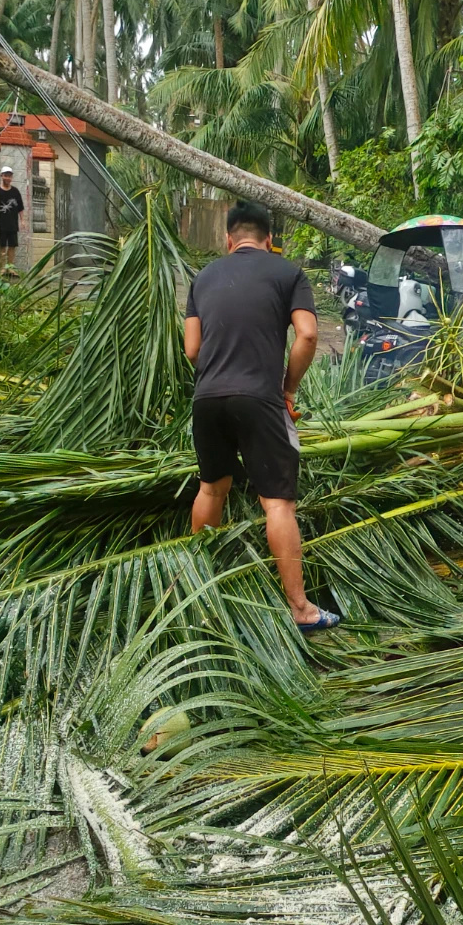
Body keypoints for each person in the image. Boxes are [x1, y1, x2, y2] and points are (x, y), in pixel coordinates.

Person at [183, 199, 340, 632]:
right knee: (277, 503)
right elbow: (308, 334)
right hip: (260, 398)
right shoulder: (287, 272)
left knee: (211, 489)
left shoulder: (204, 277)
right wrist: (287, 389)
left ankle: (199, 598)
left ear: (228, 239)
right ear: (270, 240)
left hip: (206, 398)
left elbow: (192, 350)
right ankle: (302, 610)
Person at [0, 166, 24, 272]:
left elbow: (20, 207)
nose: (8, 178)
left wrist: (22, 220)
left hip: (12, 224)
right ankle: (3, 268)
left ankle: (10, 267)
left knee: (12, 246)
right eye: (6, 176)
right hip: (0, 224)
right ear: (1, 176)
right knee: (2, 246)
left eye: (10, 176)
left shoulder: (15, 191)